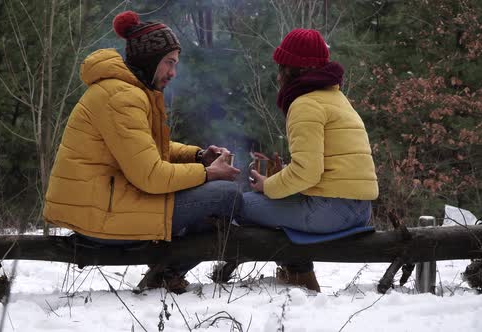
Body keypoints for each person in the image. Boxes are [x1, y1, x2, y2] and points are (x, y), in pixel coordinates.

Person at [43, 11, 241, 293]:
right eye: (168, 63)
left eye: (175, 64)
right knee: (227, 195)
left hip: (104, 207)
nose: (173, 72)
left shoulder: (125, 90)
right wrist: (208, 173)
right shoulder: (122, 97)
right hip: (103, 216)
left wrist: (197, 156)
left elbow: (147, 150)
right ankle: (168, 271)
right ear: (150, 60)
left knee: (218, 196)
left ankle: (168, 270)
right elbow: (150, 175)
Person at [243, 29, 379, 292]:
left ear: (287, 70)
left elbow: (307, 173)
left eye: (280, 67)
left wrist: (267, 186)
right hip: (360, 210)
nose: (278, 74)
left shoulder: (305, 104)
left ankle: (298, 274)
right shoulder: (336, 98)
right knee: (271, 205)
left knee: (241, 204)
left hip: (331, 210)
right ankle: (298, 273)